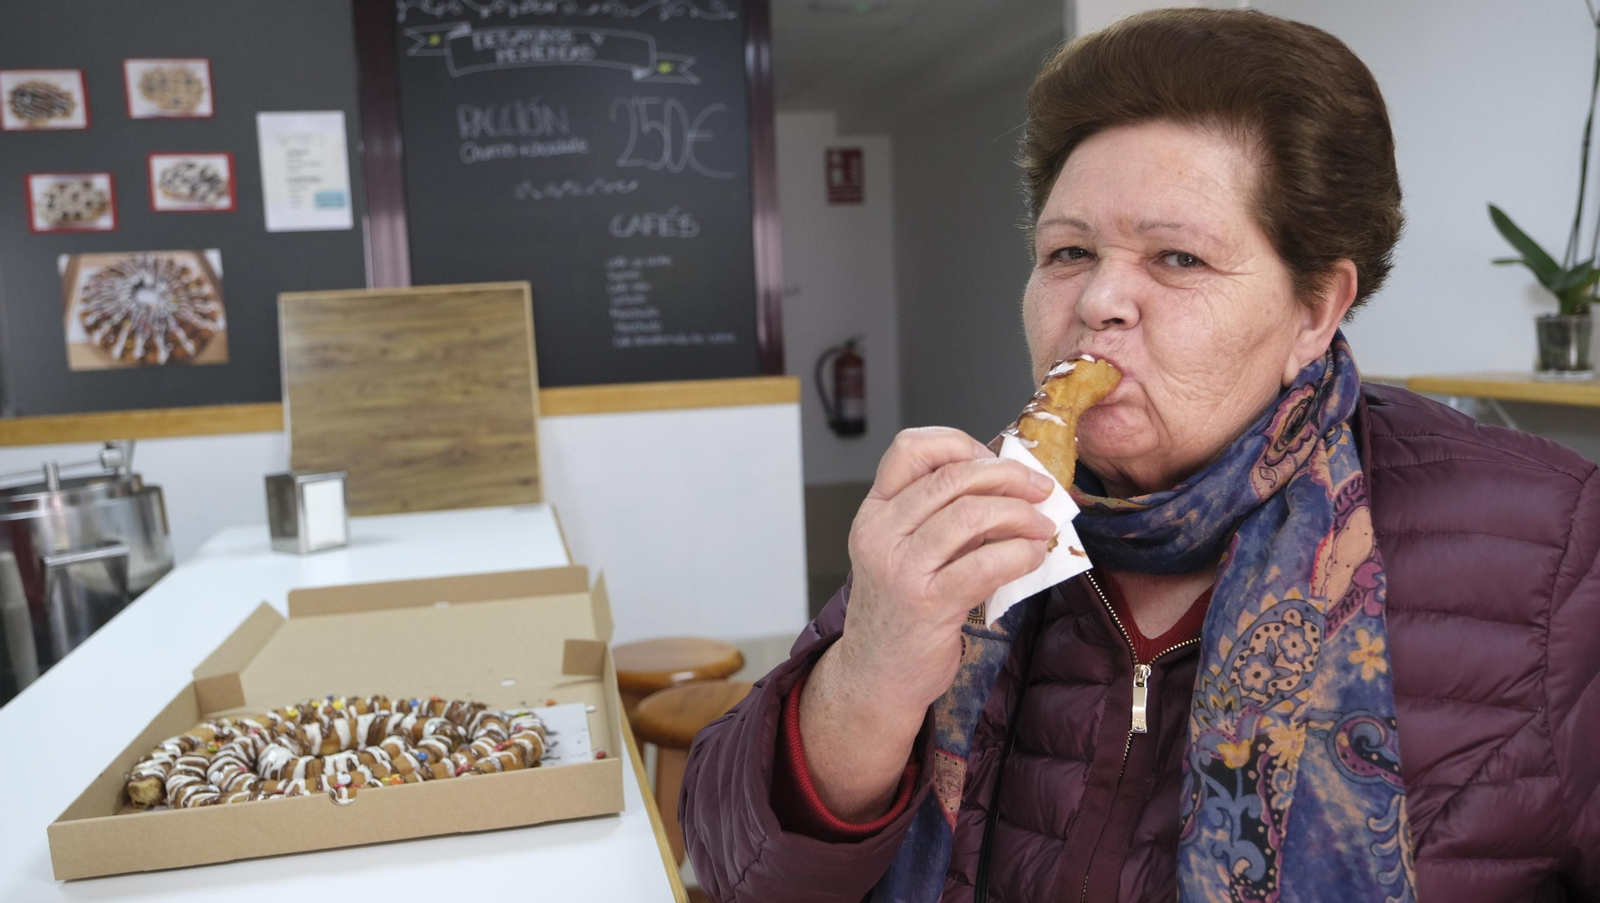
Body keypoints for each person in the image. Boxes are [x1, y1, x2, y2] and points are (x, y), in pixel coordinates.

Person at [681, 8, 1600, 902]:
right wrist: (865, 678)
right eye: (1070, 250)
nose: (1100, 301)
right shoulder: (972, 507)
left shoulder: (1556, 551)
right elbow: (727, 863)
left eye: (1179, 260)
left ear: (1315, 308)